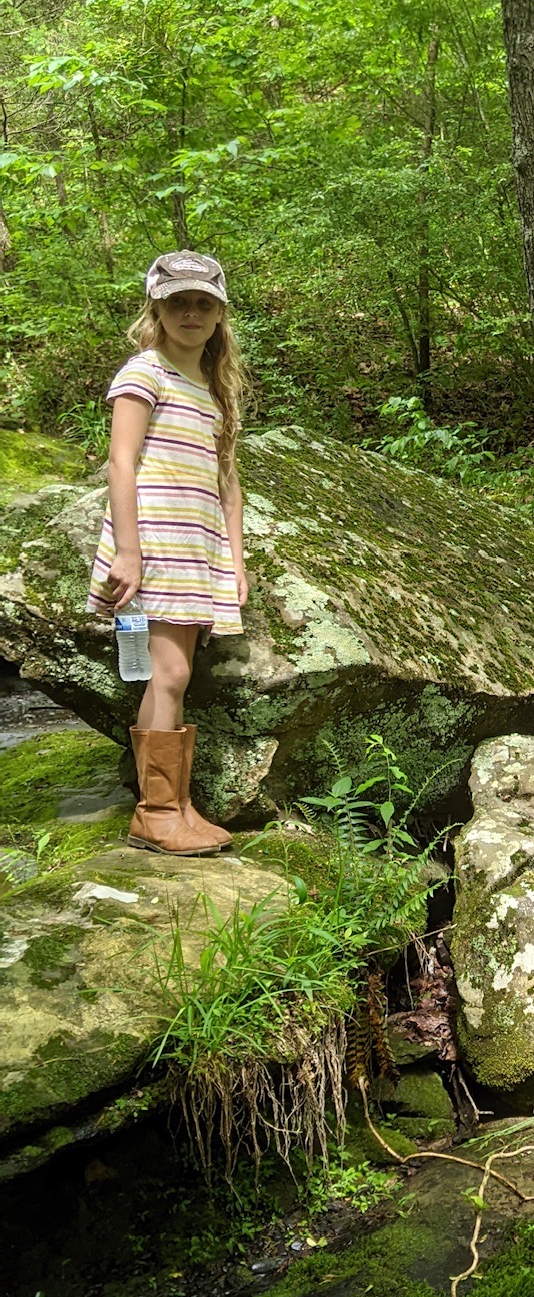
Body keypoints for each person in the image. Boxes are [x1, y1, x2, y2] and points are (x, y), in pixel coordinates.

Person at [88, 251, 250, 855]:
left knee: (174, 677)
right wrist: (127, 554)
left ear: (218, 316)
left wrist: (235, 562)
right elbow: (121, 462)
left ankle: (176, 806)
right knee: (171, 673)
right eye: (178, 301)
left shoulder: (213, 392)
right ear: (155, 306)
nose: (191, 312)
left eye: (203, 303)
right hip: (152, 545)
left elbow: (228, 487)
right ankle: (156, 812)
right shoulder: (145, 372)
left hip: (193, 548)